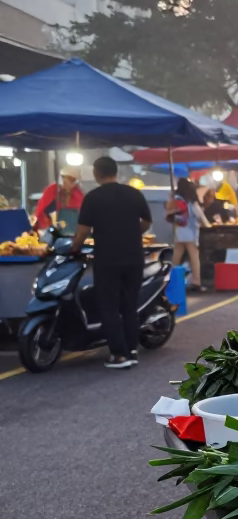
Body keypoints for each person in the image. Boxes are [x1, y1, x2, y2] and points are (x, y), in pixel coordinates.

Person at [70, 156, 152, 370]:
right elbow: (147, 221)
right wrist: (133, 232)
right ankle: (132, 350)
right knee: (129, 306)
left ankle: (119, 355)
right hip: (134, 258)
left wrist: (75, 247)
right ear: (116, 172)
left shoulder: (93, 197)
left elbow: (83, 231)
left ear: (97, 174)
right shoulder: (134, 193)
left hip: (107, 259)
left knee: (109, 307)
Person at [166, 178, 209, 292]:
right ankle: (196, 282)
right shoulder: (191, 200)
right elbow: (200, 216)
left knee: (176, 259)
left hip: (179, 233)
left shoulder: (176, 199)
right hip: (190, 233)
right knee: (194, 258)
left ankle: (171, 280)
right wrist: (207, 225)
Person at [34, 167, 84, 232]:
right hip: (50, 228)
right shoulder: (52, 190)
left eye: (71, 180)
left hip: (72, 229)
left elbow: (82, 211)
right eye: (64, 178)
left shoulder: (78, 193)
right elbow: (41, 209)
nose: (66, 182)